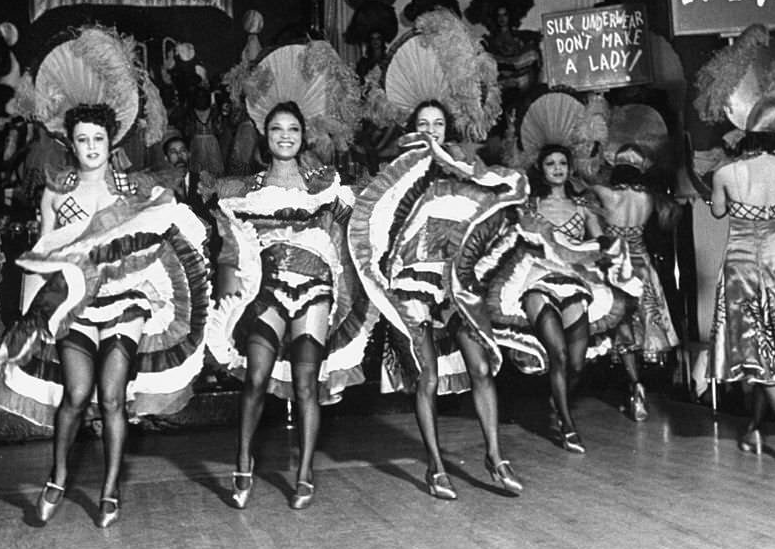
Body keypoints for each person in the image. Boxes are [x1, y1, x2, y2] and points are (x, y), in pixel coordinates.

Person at [0, 102, 211, 527]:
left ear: (111, 143)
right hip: (73, 304)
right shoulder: (57, 192)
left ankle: (110, 488)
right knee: (75, 393)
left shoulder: (130, 188)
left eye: (98, 139)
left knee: (111, 398)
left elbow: (163, 219)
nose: (91, 147)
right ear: (70, 143)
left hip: (125, 299)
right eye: (83, 139)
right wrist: (35, 318)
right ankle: (58, 475)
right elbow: (42, 253)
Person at [350, 99, 531, 498]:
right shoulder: (396, 176)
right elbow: (374, 227)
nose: (431, 130)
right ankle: (435, 465)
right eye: (423, 123)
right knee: (426, 377)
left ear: (447, 130)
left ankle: (495, 457)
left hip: (455, 281)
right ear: (412, 129)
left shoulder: (464, 171)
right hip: (412, 283)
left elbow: (494, 200)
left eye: (438, 124)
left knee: (481, 367)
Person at [208, 101, 372, 510]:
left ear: (302, 136)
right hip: (267, 288)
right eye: (277, 129)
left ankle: (304, 474)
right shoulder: (246, 188)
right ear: (266, 135)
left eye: (293, 130)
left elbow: (355, 217)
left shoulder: (323, 184)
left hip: (315, 285)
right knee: (256, 377)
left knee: (306, 383)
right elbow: (229, 236)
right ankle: (244, 462)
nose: (285, 135)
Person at [477, 141, 641, 454]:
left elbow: (600, 241)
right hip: (536, 280)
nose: (557, 169)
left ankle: (559, 399)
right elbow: (512, 238)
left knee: (577, 363)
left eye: (562, 164)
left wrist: (614, 246)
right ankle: (567, 425)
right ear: (541, 168)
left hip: (575, 283)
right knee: (559, 354)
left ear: (569, 168)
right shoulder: (530, 205)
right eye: (550, 163)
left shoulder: (583, 208)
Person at [708, 102, 775, 466]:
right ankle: (762, 428)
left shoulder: (727, 172)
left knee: (757, 353)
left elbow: (718, 211)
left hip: (742, 267)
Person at [590, 143, 681, 421]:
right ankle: (638, 385)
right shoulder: (650, 198)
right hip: (643, 264)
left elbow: (583, 183)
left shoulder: (605, 193)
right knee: (645, 326)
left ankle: (634, 383)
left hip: (619, 266)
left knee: (624, 327)